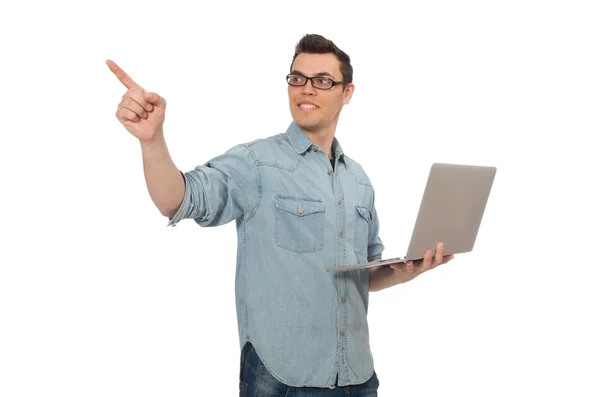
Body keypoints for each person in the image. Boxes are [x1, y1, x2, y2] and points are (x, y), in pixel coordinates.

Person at [107, 34, 454, 396]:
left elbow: (364, 274)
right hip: (281, 379)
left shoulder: (359, 180)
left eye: (322, 81)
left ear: (347, 92)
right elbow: (178, 199)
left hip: (357, 377)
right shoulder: (257, 162)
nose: (306, 90)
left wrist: (405, 272)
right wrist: (152, 140)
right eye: (297, 78)